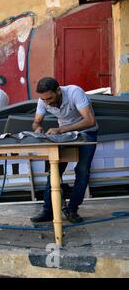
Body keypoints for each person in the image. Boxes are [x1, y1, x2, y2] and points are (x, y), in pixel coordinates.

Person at [30, 77, 98, 224]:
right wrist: (38, 128)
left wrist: (61, 129)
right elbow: (36, 121)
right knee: (54, 170)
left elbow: (89, 120)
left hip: (87, 133)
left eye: (50, 98)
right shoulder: (43, 100)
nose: (47, 102)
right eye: (44, 100)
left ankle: (72, 210)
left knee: (82, 171)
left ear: (58, 91)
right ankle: (49, 211)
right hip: (65, 135)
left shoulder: (75, 92)